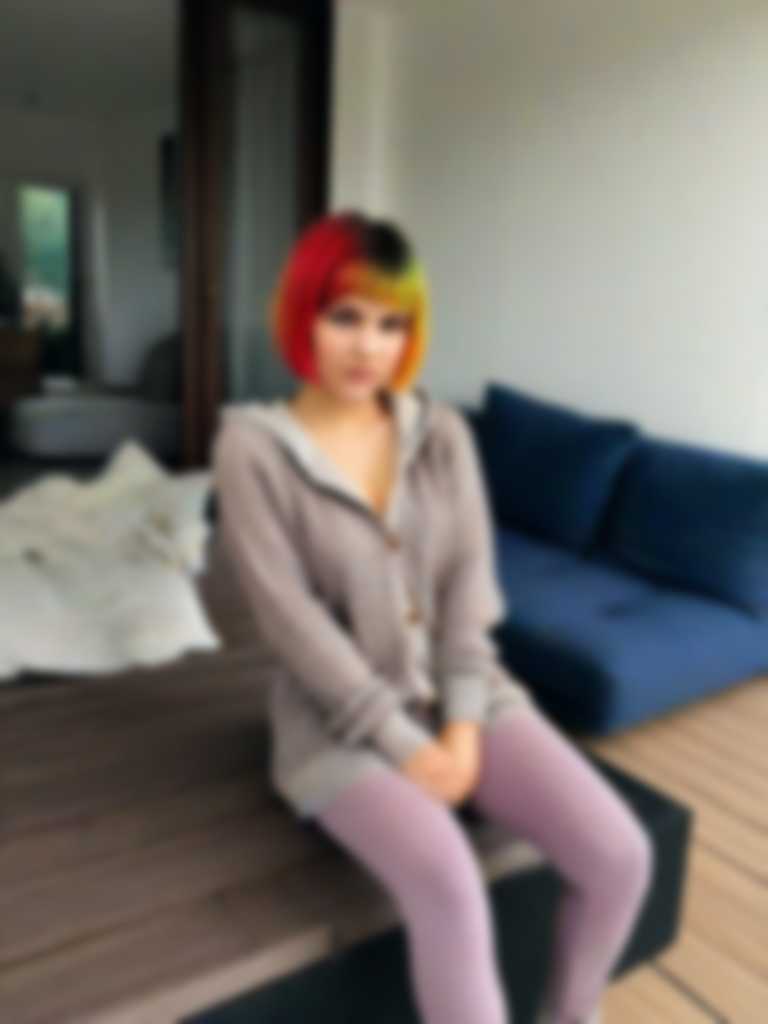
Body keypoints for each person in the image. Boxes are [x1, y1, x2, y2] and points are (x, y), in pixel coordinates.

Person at [212, 210, 654, 1024]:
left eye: (391, 324)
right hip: (337, 722)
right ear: (303, 314)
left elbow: (466, 589)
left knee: (621, 856)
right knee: (450, 888)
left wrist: (462, 725)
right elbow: (292, 624)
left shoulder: (443, 433)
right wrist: (406, 745)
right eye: (345, 316)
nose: (368, 346)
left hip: (463, 690)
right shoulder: (252, 450)